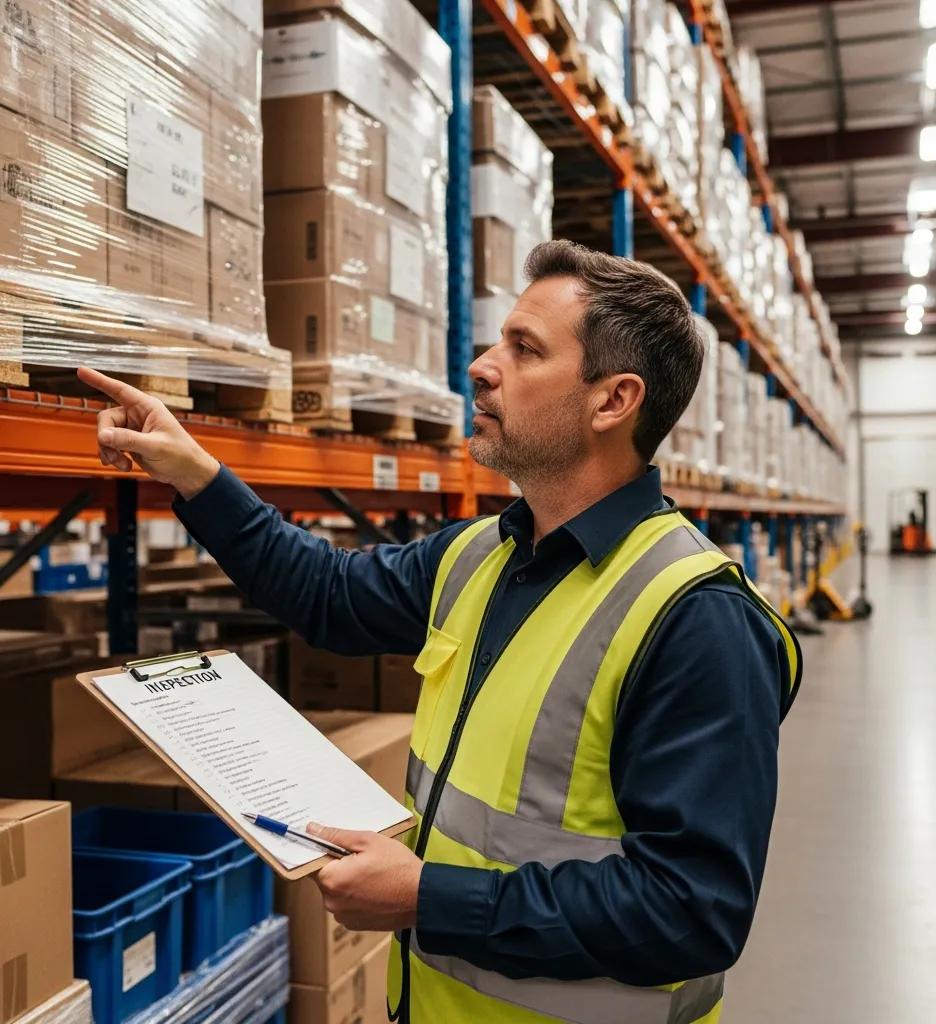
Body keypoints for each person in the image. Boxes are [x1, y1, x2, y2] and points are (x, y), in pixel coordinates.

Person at [78, 239, 801, 1024]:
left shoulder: (695, 619)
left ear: (612, 401)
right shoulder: (478, 556)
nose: (483, 367)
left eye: (524, 350)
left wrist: (427, 896)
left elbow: (692, 912)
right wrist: (195, 473)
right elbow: (325, 593)